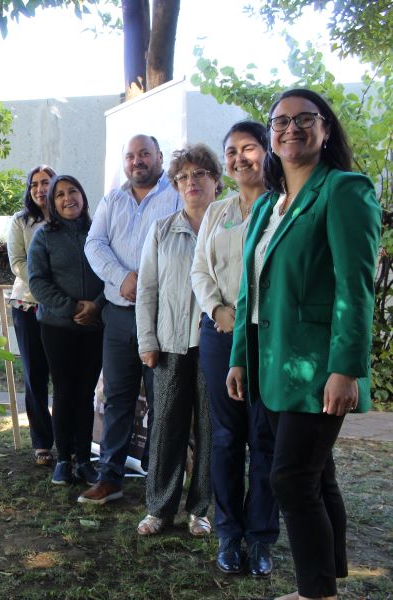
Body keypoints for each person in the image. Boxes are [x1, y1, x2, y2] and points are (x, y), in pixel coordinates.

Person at [227, 89, 381, 600]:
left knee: (290, 479)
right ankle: (331, 571)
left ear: (325, 129)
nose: (290, 128)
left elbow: (354, 288)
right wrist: (240, 358)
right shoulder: (271, 203)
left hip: (318, 368)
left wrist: (346, 369)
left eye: (304, 119)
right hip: (272, 365)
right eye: (280, 121)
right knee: (317, 474)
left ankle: (315, 593)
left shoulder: (344, 190)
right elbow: (251, 288)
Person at [191, 122, 278, 576]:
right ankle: (228, 532)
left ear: (267, 152)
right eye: (231, 151)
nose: (240, 158)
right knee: (225, 439)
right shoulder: (217, 212)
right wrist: (218, 311)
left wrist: (246, 319)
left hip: (267, 336)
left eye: (249, 148)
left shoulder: (283, 207)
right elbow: (199, 270)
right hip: (220, 334)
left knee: (265, 437)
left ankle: (261, 539)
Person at [81, 134, 181, 504]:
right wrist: (121, 277)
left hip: (161, 316)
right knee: (118, 399)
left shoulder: (175, 196)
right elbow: (94, 244)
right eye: (131, 156)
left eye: (144, 154)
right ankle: (110, 479)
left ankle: (158, 483)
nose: (137, 161)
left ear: (158, 157)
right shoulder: (113, 200)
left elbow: (185, 243)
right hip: (119, 317)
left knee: (161, 401)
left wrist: (147, 283)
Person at [133, 144, 218, 537]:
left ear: (216, 179)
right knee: (166, 425)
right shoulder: (163, 229)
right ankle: (160, 508)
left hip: (216, 344)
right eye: (183, 177)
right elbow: (147, 288)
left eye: (199, 174)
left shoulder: (231, 228)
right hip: (168, 343)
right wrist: (146, 340)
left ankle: (200, 508)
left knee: (210, 429)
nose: (191, 182)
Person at [28, 175, 105, 486]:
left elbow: (113, 271)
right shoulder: (44, 236)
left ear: (83, 196)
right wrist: (73, 308)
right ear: (52, 203)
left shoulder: (99, 232)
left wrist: (97, 306)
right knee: (63, 391)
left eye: (73, 191)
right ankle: (63, 460)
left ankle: (84, 460)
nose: (67, 198)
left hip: (95, 325)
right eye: (59, 194)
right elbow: (37, 282)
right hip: (57, 326)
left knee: (85, 393)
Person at [7, 165, 56, 467]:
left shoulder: (68, 218)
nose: (40, 189)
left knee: (63, 377)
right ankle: (42, 442)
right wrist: (47, 289)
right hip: (28, 305)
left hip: (61, 309)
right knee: (35, 375)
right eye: (34, 184)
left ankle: (67, 438)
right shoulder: (21, 221)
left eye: (46, 183)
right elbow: (17, 262)